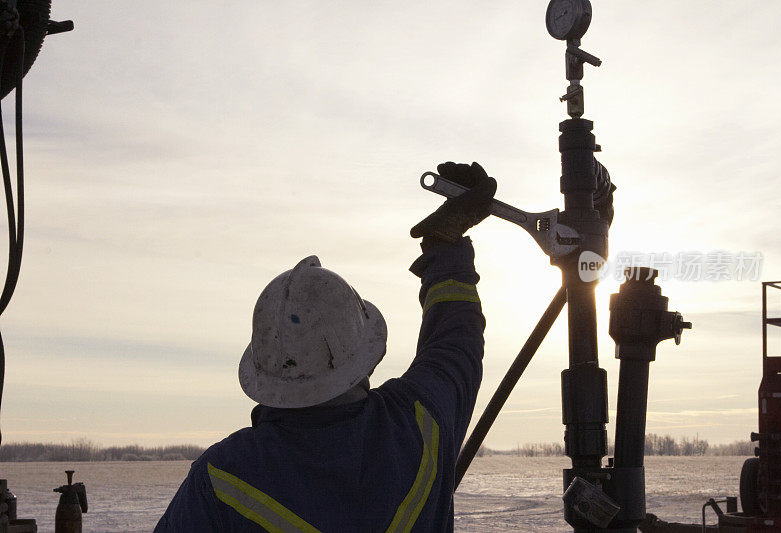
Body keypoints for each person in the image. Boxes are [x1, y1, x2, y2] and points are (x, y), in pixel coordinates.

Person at [154, 160, 613, 532]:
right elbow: (455, 338)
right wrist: (443, 245)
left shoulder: (220, 479)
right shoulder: (419, 425)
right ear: (362, 361)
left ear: (263, 374)